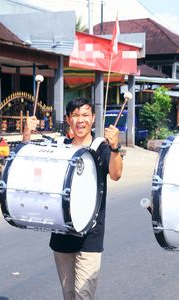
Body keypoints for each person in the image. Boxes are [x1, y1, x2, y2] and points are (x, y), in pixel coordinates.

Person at [22, 97, 123, 300]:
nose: (80, 120)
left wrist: (115, 147)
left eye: (85, 115)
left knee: (83, 295)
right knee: (68, 294)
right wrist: (27, 133)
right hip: (61, 232)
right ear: (68, 119)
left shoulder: (100, 148)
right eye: (75, 115)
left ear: (93, 119)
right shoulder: (59, 146)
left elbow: (116, 174)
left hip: (90, 236)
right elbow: (28, 162)